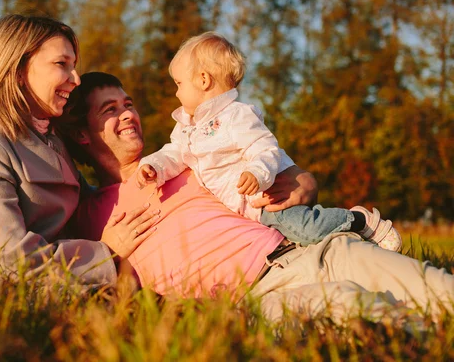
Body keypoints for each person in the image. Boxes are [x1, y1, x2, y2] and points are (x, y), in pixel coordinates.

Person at [62, 71, 454, 323]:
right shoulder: (88, 217)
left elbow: (278, 166)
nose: (128, 114)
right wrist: (108, 250)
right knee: (366, 314)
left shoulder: (187, 156)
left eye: (129, 104)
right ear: (83, 135)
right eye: (110, 110)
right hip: (254, 300)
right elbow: (69, 277)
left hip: (309, 252)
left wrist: (305, 181)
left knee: (439, 290)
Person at [0, 15, 160, 287]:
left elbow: (84, 199)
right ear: (18, 70)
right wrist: (105, 251)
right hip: (9, 293)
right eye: (62, 64)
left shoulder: (49, 134)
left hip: (71, 277)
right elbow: (10, 259)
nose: (76, 79)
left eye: (74, 66)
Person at [136, 32, 401, 251]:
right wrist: (154, 168)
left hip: (269, 195)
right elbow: (173, 152)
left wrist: (257, 173)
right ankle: (350, 244)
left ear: (203, 80)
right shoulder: (186, 127)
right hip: (250, 210)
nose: (176, 91)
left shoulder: (235, 115)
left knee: (306, 230)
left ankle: (360, 221)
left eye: (179, 83)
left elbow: (265, 148)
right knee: (299, 238)